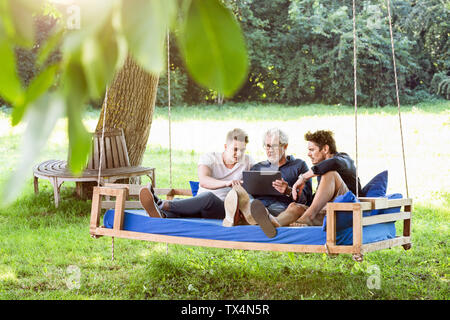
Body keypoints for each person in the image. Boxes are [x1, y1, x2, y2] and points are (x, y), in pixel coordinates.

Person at [250, 130, 362, 237]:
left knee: (330, 174)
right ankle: (275, 223)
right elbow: (314, 201)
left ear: (325, 149)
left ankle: (307, 217)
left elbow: (334, 163)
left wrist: (303, 177)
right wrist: (294, 197)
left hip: (347, 210)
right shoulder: (322, 173)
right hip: (327, 213)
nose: (308, 154)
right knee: (294, 207)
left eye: (312, 150)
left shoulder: (344, 159)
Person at [139, 128, 255, 219]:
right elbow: (204, 181)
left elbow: (258, 180)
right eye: (235, 149)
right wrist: (227, 183)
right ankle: (162, 214)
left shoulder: (248, 161)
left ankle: (161, 203)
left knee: (208, 198)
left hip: (225, 209)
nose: (239, 154)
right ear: (225, 147)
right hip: (200, 205)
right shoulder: (210, 158)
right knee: (185, 203)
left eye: (242, 150)